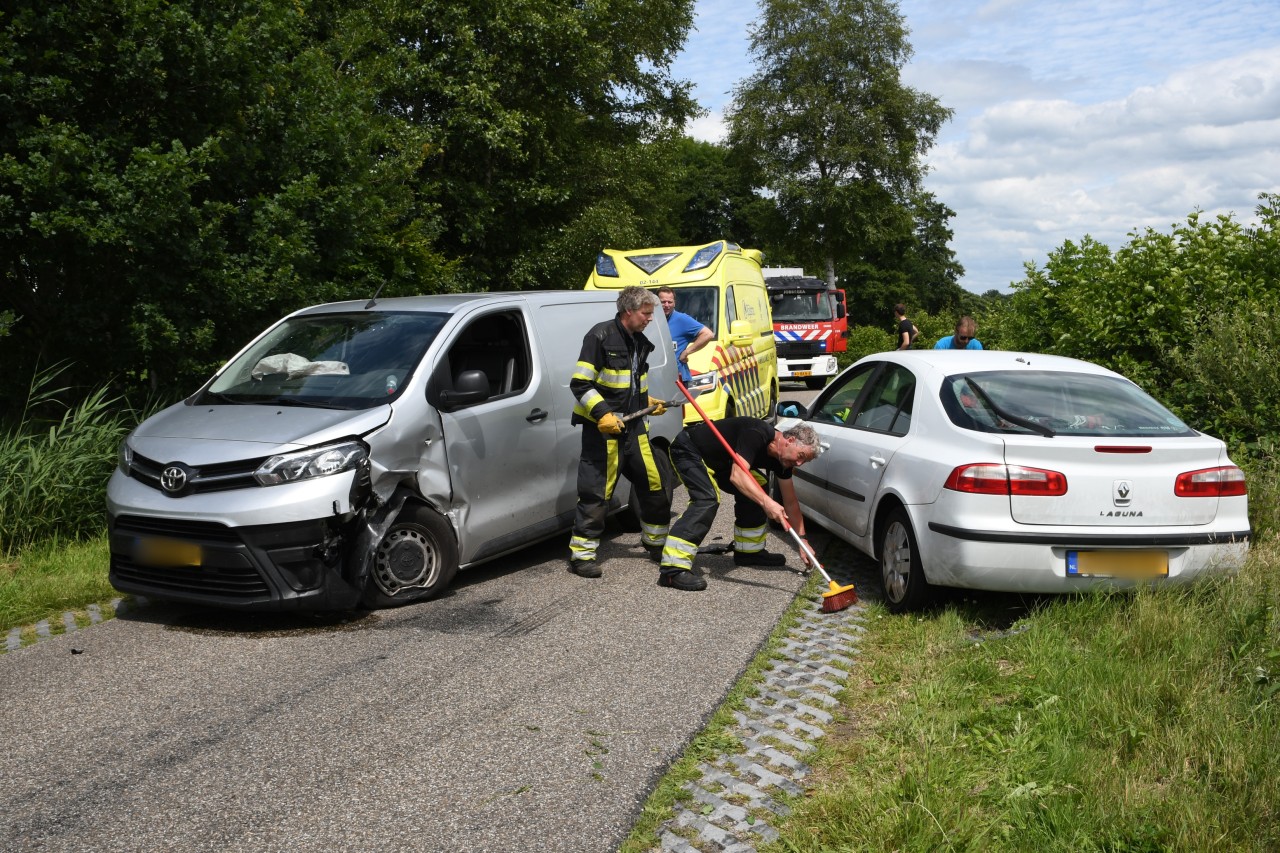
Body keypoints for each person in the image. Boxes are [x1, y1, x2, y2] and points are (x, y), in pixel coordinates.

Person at [568, 286, 674, 578]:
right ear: (629, 311)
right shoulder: (599, 337)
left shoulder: (638, 341)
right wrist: (602, 415)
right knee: (596, 494)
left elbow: (632, 384)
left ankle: (655, 544)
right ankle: (582, 557)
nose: (650, 319)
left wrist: (647, 403)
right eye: (646, 313)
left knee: (655, 485)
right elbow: (580, 384)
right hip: (603, 434)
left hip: (635, 429)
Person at [656, 418, 821, 591]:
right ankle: (672, 570)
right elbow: (737, 475)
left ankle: (748, 552)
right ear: (790, 440)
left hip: (722, 461)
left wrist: (803, 542)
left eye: (804, 462)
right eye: (800, 456)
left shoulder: (784, 462)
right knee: (707, 498)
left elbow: (791, 502)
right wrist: (767, 503)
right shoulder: (757, 433)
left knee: (759, 487)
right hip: (689, 449)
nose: (799, 464)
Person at [656, 285, 714, 382]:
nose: (666, 305)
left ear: (674, 303)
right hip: (655, 378)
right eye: (663, 302)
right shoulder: (650, 320)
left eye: (670, 302)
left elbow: (708, 334)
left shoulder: (681, 319)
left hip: (677, 379)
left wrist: (687, 352)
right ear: (656, 303)